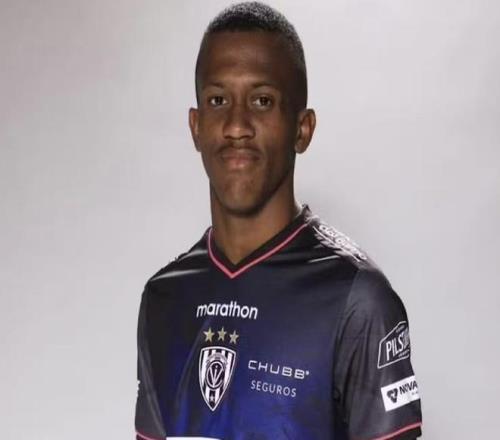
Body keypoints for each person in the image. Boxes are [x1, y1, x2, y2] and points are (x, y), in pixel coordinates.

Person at [135, 2, 422, 439]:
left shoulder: (358, 301)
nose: (236, 126)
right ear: (195, 126)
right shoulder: (163, 299)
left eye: (262, 101)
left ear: (302, 129)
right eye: (218, 100)